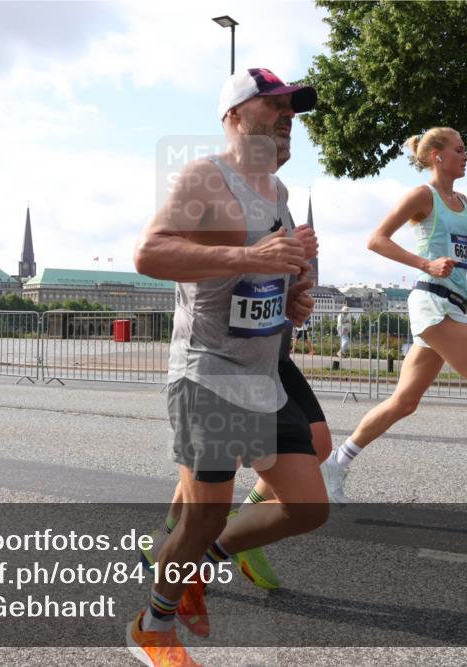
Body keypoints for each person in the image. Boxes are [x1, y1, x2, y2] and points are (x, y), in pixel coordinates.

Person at [128, 67, 329, 666]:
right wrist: (250, 253)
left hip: (263, 374)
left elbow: (267, 287)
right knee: (206, 510)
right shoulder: (204, 176)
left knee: (307, 507)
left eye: (292, 111)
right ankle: (153, 628)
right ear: (234, 116)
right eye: (273, 107)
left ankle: (193, 564)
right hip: (209, 370)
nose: (287, 117)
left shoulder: (282, 197)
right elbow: (149, 251)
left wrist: (293, 295)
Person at [319, 127, 467, 533]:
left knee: (404, 402)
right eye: (459, 150)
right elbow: (375, 240)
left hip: (452, 303)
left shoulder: (462, 203)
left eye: (466, 150)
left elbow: (464, 260)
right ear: (436, 157)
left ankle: (334, 466)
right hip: (433, 303)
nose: (466, 156)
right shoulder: (422, 196)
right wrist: (424, 265)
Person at [140, 224, 334, 595]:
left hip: (273, 349)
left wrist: (294, 298)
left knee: (318, 445)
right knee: (211, 481)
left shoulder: (278, 198)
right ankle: (175, 539)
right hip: (228, 357)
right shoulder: (219, 192)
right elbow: (168, 259)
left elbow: (276, 282)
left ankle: (238, 530)